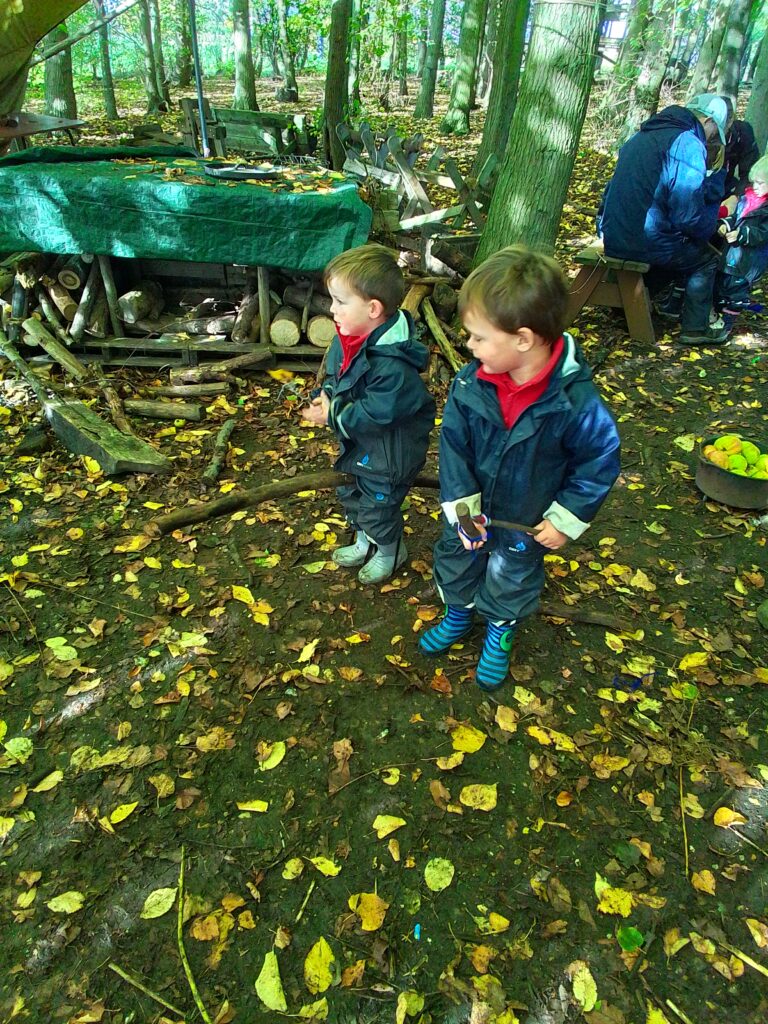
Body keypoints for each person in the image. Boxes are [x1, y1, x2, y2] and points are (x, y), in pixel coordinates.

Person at [418, 247, 621, 692]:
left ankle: (499, 628)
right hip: (473, 510)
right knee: (457, 558)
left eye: (477, 337)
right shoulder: (471, 383)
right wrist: (462, 505)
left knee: (512, 574)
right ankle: (458, 614)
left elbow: (599, 460)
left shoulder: (575, 403)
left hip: (526, 518)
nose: (468, 346)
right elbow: (453, 446)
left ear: (523, 339)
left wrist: (566, 518)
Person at [301, 244, 435, 585]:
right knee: (351, 495)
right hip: (360, 448)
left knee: (379, 506)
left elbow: (377, 413)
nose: (333, 310)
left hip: (389, 455)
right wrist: (325, 398)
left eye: (341, 301)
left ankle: (390, 551)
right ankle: (364, 541)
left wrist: (333, 416)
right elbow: (336, 379)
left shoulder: (393, 364)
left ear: (373, 308)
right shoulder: (348, 340)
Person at [599, 94, 730, 346]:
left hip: (614, 232)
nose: (712, 138)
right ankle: (696, 327)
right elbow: (687, 216)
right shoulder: (688, 144)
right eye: (715, 132)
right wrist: (709, 222)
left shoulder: (642, 135)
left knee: (671, 248)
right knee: (704, 259)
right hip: (640, 239)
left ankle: (625, 309)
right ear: (709, 120)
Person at [715, 155, 768, 318]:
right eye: (754, 182)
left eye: (761, 183)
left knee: (736, 293)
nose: (756, 186)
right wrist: (726, 225)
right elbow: (735, 217)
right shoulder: (747, 199)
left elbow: (763, 234)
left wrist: (741, 234)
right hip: (731, 256)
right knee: (722, 287)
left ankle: (728, 325)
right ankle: (720, 317)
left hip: (747, 261)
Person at [721, 96, 760, 198]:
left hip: (726, 188)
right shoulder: (697, 134)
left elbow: (749, 172)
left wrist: (736, 196)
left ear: (730, 120)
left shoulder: (742, 133)